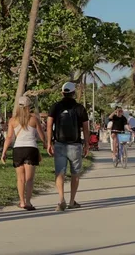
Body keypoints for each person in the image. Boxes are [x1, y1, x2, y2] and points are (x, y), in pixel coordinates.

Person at [47, 82, 89, 212]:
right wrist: (87, 143)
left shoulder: (55, 107)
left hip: (59, 144)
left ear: (62, 93)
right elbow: (86, 127)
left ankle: (61, 199)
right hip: (75, 144)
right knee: (75, 173)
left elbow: (49, 125)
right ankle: (71, 201)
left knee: (60, 172)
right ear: (73, 93)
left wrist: (49, 142)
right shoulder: (79, 108)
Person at [1, 97, 46, 211]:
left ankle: (21, 202)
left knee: (20, 178)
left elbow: (9, 137)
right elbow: (41, 135)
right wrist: (47, 144)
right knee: (29, 179)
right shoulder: (34, 119)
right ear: (28, 107)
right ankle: (28, 202)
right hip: (31, 148)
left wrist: (4, 152)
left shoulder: (13, 120)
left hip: (18, 149)